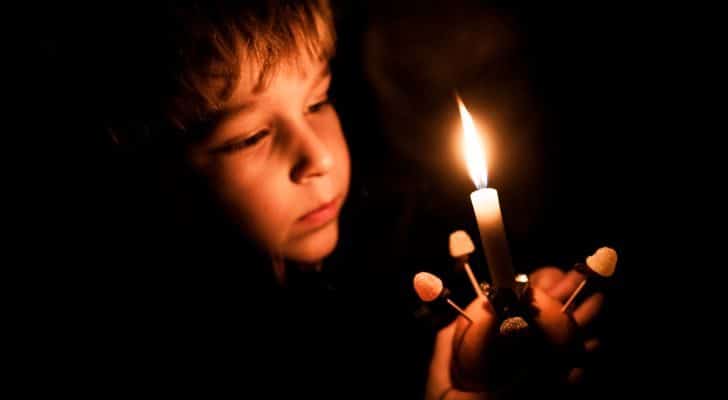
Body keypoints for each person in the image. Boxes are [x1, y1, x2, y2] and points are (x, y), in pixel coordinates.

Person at [66, 1, 607, 398]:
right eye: (249, 136)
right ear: (163, 176)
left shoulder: (398, 250)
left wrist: (484, 361)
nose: (318, 158)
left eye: (318, 101)